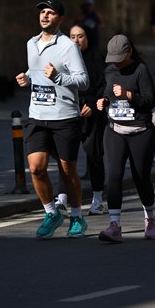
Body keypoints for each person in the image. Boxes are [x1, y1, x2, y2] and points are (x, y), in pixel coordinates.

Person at [15, 0, 90, 238]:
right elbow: (36, 70)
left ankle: (77, 217)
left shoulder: (68, 46)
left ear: (61, 19)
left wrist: (58, 77)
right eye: (43, 12)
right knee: (36, 168)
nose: (45, 16)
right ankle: (51, 213)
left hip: (64, 117)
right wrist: (27, 77)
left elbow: (83, 80)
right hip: (37, 115)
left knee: (67, 171)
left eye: (51, 12)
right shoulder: (31, 43)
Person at [96, 35, 155, 243]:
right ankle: (114, 225)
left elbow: (150, 101)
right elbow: (107, 93)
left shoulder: (141, 70)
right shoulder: (110, 70)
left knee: (141, 177)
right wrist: (103, 101)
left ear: (129, 52)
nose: (117, 62)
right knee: (113, 176)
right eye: (113, 58)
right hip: (115, 131)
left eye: (120, 58)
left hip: (141, 131)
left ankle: (150, 218)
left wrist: (129, 95)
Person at [55, 23, 107, 216]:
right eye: (72, 36)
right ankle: (62, 199)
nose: (76, 40)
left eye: (81, 36)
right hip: (69, 110)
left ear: (88, 38)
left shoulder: (95, 58)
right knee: (65, 155)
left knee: (94, 155)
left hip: (91, 112)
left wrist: (92, 105)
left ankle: (97, 200)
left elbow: (103, 86)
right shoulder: (63, 57)